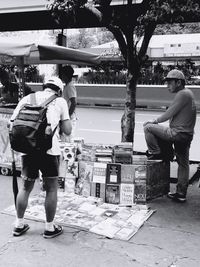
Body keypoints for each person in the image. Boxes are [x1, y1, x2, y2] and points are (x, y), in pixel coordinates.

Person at [10, 77, 72, 238]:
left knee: (25, 188)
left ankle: (18, 224)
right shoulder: (60, 101)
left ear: (44, 87)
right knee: (51, 188)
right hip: (49, 151)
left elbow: (12, 123)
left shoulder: (27, 98)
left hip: (28, 150)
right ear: (58, 90)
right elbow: (67, 130)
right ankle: (49, 228)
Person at [143, 69, 196, 203]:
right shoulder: (188, 94)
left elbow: (169, 113)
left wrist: (154, 121)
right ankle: (181, 193)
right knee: (183, 164)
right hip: (187, 135)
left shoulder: (182, 94)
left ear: (178, 82)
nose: (167, 86)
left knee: (148, 127)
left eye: (170, 83)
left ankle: (156, 152)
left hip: (177, 133)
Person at [60, 65, 77, 142]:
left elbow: (74, 102)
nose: (61, 77)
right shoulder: (67, 86)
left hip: (69, 116)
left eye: (62, 74)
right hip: (66, 116)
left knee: (68, 139)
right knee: (65, 137)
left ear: (65, 75)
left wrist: (68, 115)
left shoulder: (70, 86)